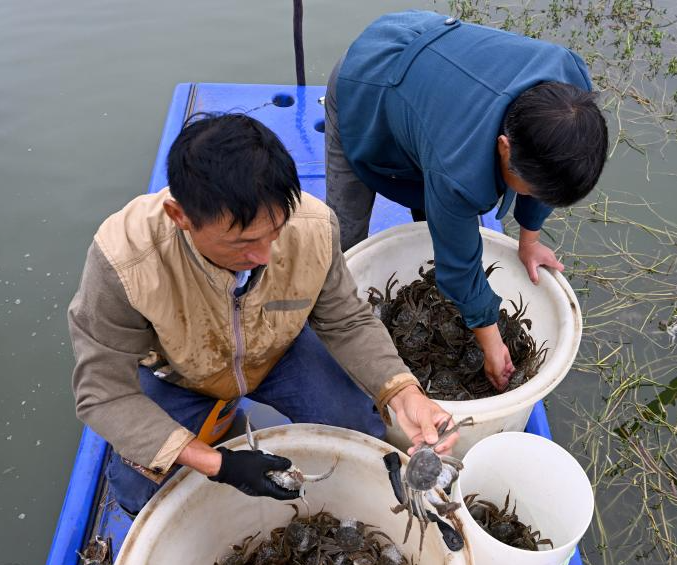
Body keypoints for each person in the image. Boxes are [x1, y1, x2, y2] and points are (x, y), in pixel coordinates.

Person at [68, 113, 456, 515]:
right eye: (243, 243)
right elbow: (104, 393)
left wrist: (404, 393)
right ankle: (215, 424)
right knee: (140, 496)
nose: (264, 256)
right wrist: (218, 465)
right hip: (179, 375)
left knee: (359, 426)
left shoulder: (314, 227)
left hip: (278, 350)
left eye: (275, 232)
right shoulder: (124, 260)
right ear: (179, 216)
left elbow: (347, 321)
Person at [326, 10, 608, 391]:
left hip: (437, 84)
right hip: (369, 80)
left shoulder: (570, 97)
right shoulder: (457, 168)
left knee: (449, 217)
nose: (536, 197)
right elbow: (458, 266)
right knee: (347, 237)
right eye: (529, 188)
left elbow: (545, 178)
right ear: (505, 148)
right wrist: (491, 342)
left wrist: (530, 241)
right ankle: (339, 333)